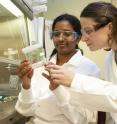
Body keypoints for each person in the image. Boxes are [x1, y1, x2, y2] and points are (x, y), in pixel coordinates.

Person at [15, 13, 100, 124]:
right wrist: (26, 85)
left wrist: (57, 89)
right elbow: (25, 111)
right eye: (56, 34)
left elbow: (82, 120)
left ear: (78, 38)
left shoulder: (89, 68)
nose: (60, 38)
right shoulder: (41, 67)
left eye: (67, 34)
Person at [45, 2, 117, 124]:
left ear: (109, 27)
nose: (83, 39)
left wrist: (74, 81)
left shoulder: (90, 67)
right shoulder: (109, 58)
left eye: (88, 31)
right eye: (83, 32)